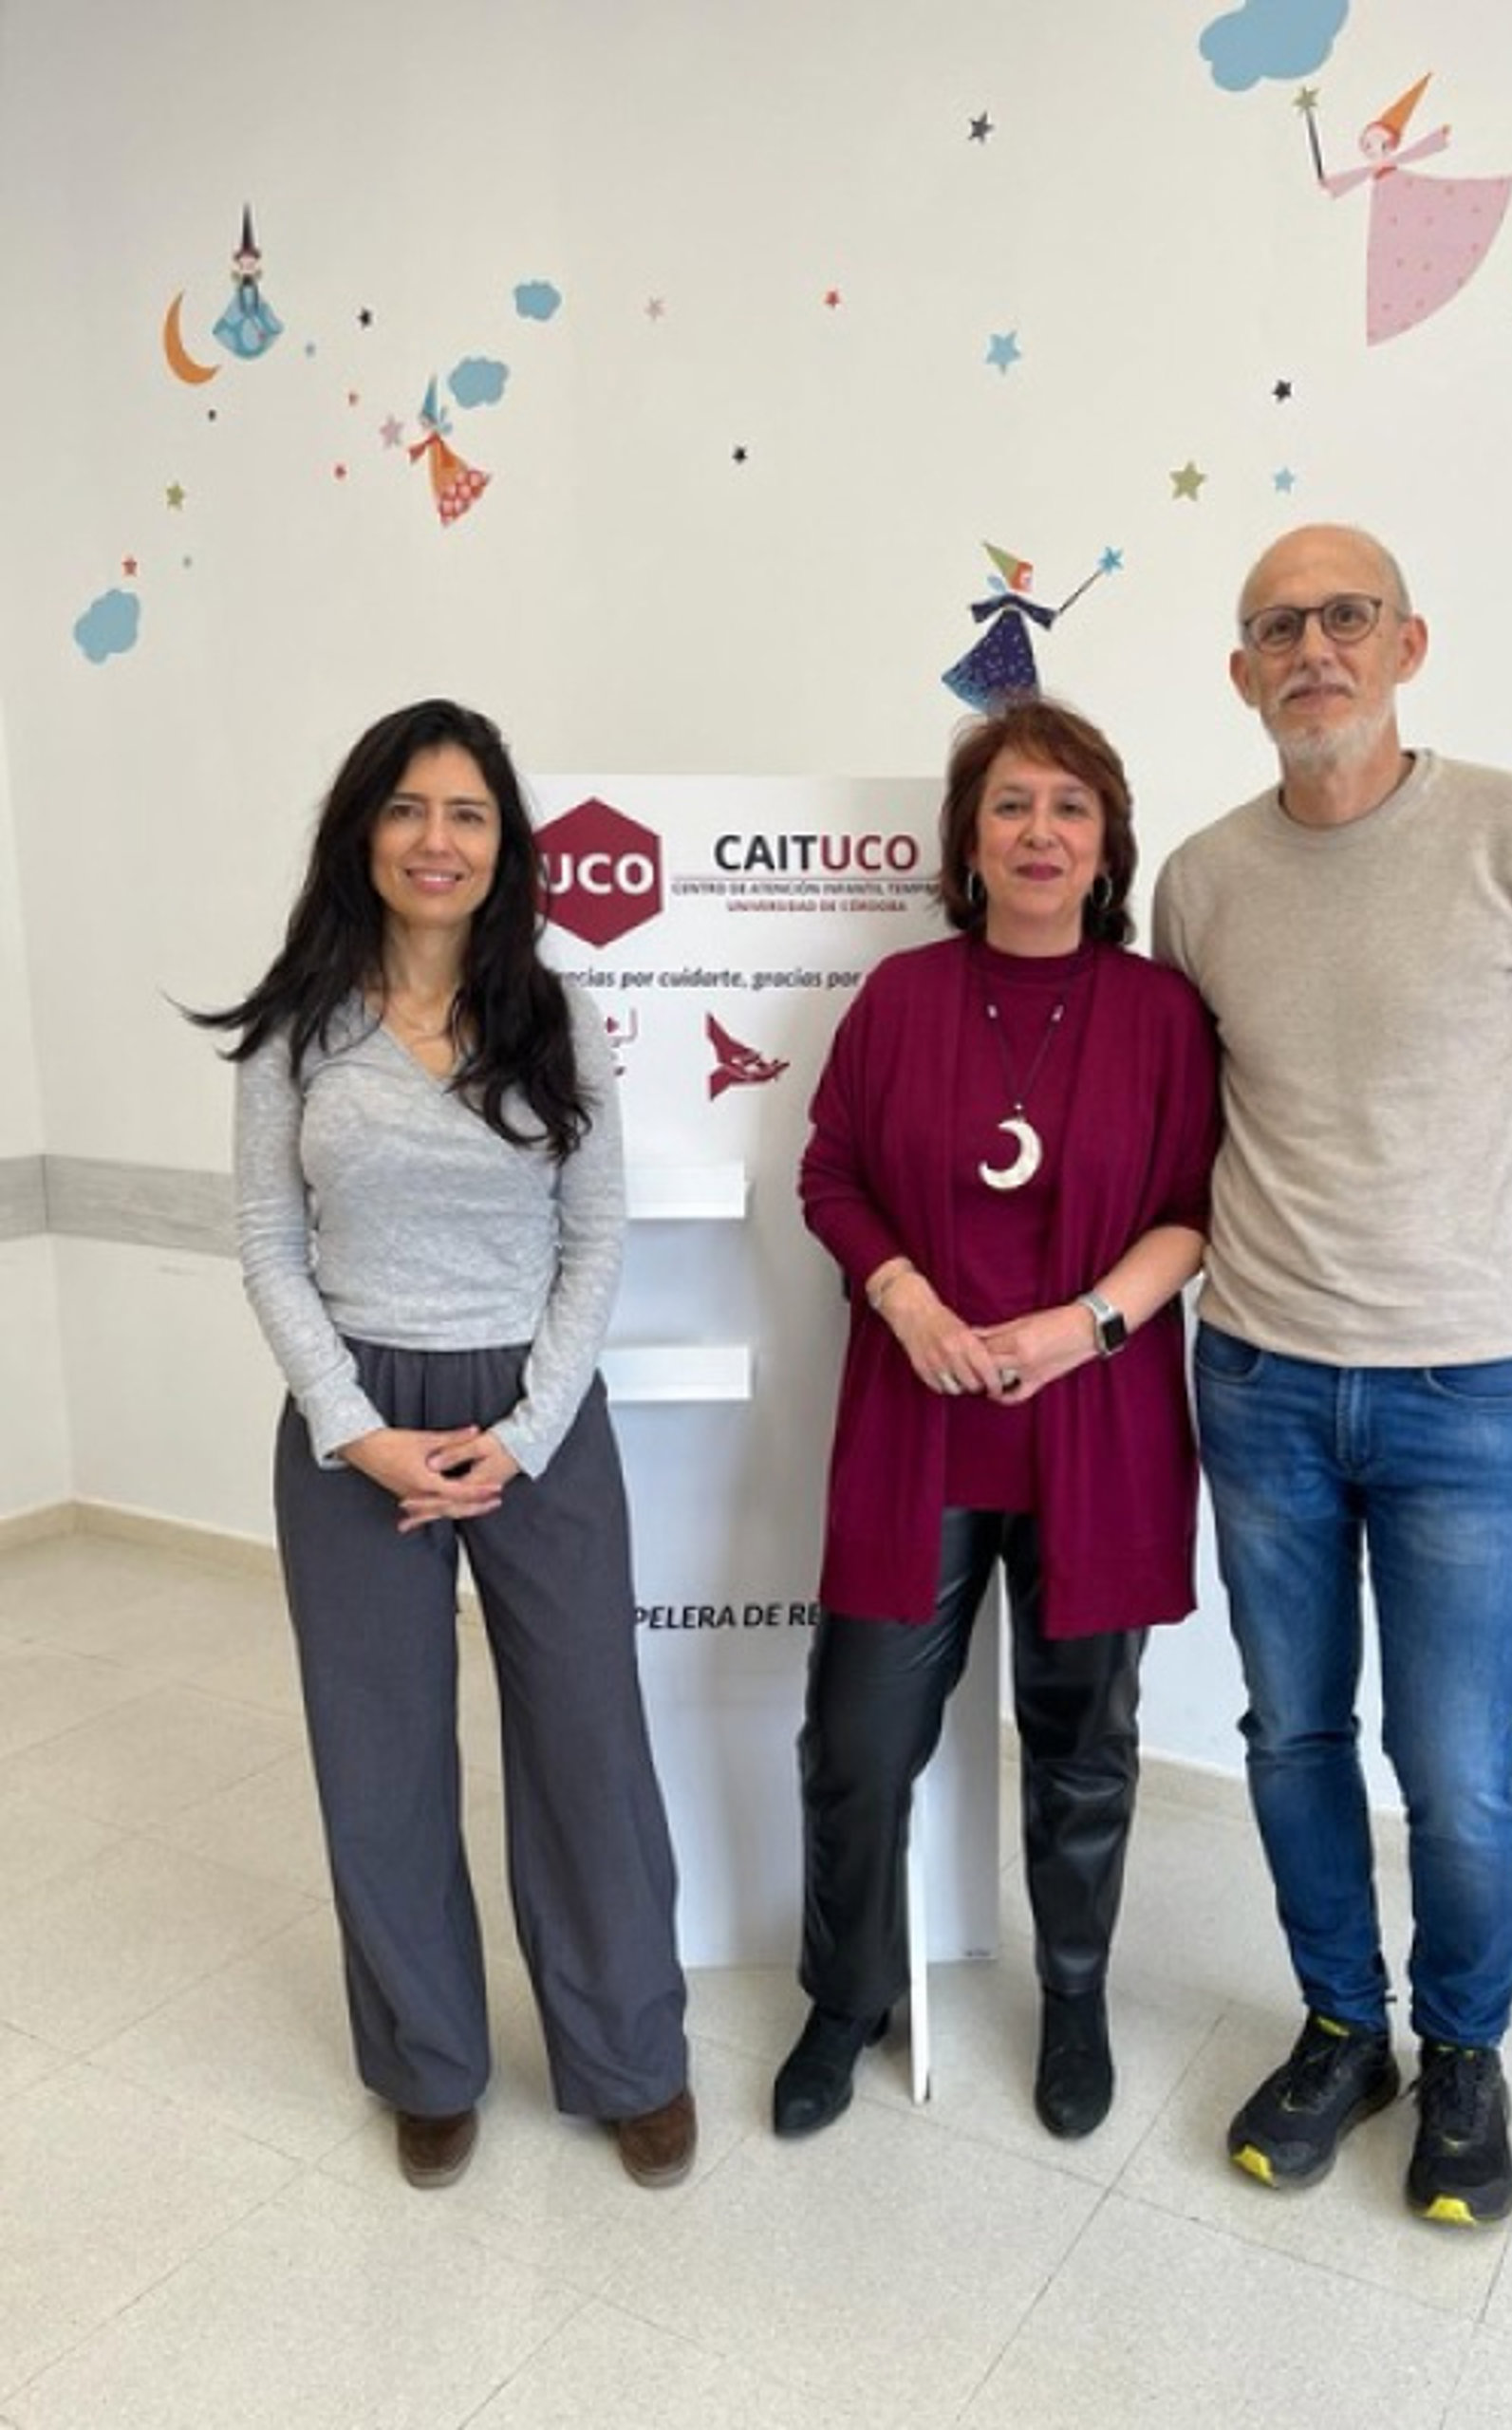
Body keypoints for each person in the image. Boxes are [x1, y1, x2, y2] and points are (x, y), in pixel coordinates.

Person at [1152, 525, 1512, 2226]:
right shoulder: (1200, 881)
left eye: (1346, 617)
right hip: (1260, 1375)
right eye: (1278, 628)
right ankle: (1345, 2026)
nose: (1314, 651)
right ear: (1241, 673)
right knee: (1291, 1734)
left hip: (1463, 1385)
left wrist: (1460, 1249)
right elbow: (1193, 1110)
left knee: (1458, 1763)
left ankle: (1463, 2055)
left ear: (1409, 644)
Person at [192, 699, 692, 2191]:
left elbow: (595, 1236)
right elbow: (269, 1241)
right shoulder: (298, 1028)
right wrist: (355, 1431)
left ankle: (630, 2057)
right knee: (382, 1755)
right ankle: (427, 2060)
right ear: (362, 832)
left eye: (466, 812)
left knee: (589, 1746)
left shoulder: (556, 1016)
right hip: (354, 1416)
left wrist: (525, 1432)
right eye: (407, 808)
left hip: (538, 1415)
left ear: (504, 844)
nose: (436, 839)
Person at [773, 698, 1221, 2142]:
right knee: (857, 1741)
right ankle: (846, 1998)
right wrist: (904, 1298)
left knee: (1084, 1747)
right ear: (968, 842)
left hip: (1099, 1434)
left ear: (1108, 845)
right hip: (919, 1433)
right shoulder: (902, 998)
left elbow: (1194, 1209)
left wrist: (1082, 1326)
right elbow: (831, 1173)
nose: (1041, 832)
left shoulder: (1161, 1015)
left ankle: (1074, 1997)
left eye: (1070, 807)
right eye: (1012, 805)